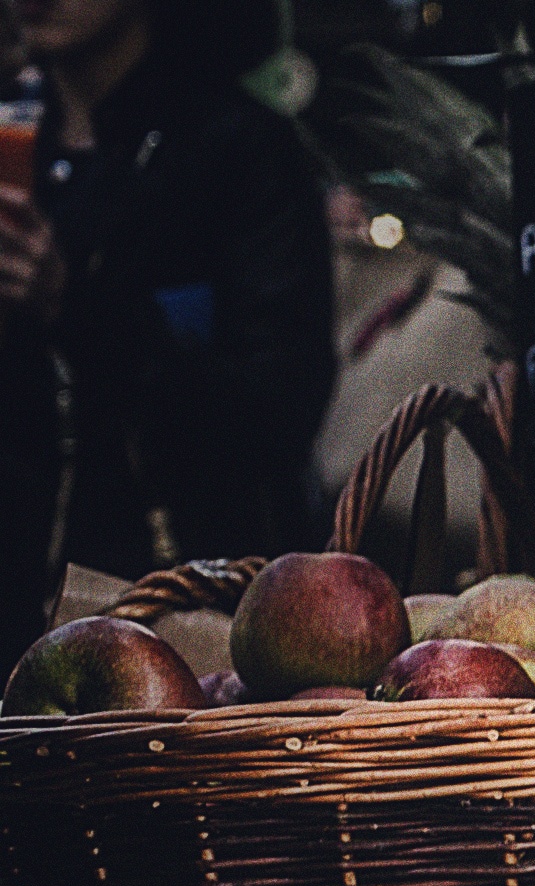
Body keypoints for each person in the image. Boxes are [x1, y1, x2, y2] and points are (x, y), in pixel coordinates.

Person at [0, 0, 335, 611]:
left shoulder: (235, 148)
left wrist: (77, 305)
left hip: (177, 595)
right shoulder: (18, 138)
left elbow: (277, 404)